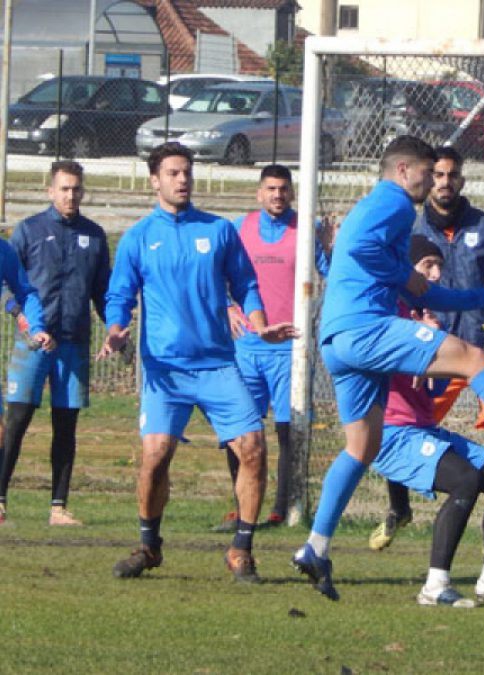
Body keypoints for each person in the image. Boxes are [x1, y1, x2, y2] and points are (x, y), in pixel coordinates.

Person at [291, 135, 484, 601]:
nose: (433, 181)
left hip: (337, 339)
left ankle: (315, 547)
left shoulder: (385, 209)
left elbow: (424, 292)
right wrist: (402, 275)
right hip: (364, 327)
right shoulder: (392, 203)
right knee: (473, 359)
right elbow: (356, 252)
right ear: (402, 171)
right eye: (427, 172)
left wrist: (483, 295)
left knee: (361, 446)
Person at [99, 142, 297, 583]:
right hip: (165, 371)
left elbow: (246, 284)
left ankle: (241, 549)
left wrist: (260, 324)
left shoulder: (219, 230)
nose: (182, 179)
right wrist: (115, 328)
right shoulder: (137, 237)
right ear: (155, 180)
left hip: (218, 367)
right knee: (155, 457)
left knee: (253, 449)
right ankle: (149, 546)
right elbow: (119, 296)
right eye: (173, 173)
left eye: (187, 172)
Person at [369, 144, 484, 551]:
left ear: (463, 179)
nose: (445, 182)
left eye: (453, 175)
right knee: (403, 424)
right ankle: (399, 507)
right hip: (432, 354)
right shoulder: (409, 231)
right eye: (438, 175)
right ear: (429, 179)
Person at [371, 234, 484, 607]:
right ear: (406, 269)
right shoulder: (388, 313)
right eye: (426, 265)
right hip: (392, 432)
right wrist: (420, 345)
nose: (436, 272)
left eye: (438, 265)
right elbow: (377, 358)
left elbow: (438, 376)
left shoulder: (423, 315)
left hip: (421, 427)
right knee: (466, 480)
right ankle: (435, 586)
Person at [217, 163, 331, 531]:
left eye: (284, 189)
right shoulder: (239, 228)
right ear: (259, 193)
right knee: (242, 428)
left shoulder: (307, 229)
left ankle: (282, 508)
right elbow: (215, 275)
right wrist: (228, 307)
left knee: (287, 431)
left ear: (292, 193)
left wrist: (329, 246)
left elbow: (329, 272)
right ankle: (241, 505)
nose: (277, 195)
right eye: (271, 188)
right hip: (246, 348)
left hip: (289, 349)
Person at [0, 160, 107, 527]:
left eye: (77, 188)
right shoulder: (28, 231)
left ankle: (58, 507)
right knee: (15, 421)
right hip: (32, 343)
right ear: (50, 191)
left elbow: (102, 293)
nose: (71, 195)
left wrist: (115, 328)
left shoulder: (94, 236)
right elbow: (6, 284)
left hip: (73, 343)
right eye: (64, 188)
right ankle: (0, 501)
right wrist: (21, 315)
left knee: (66, 425)